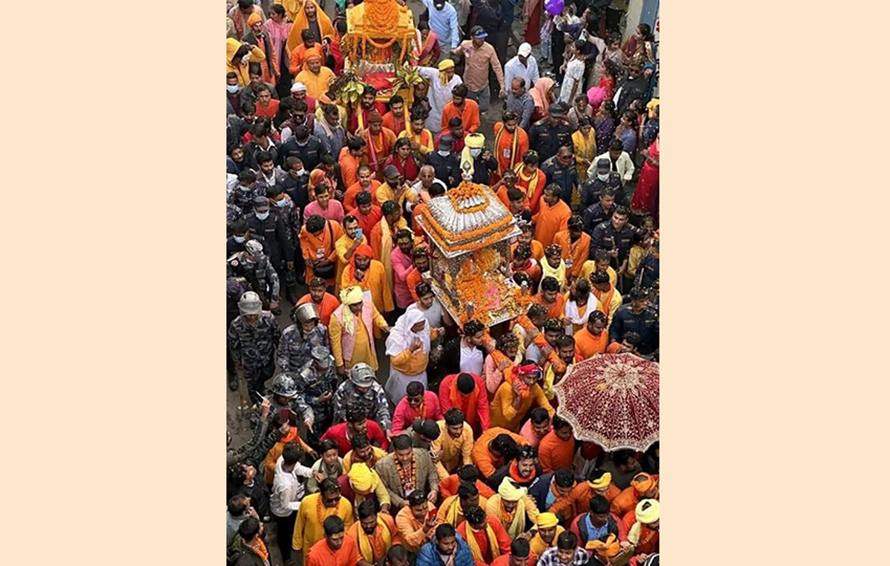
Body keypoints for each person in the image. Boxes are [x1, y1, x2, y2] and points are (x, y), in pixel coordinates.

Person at [228, 291, 281, 403]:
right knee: (252, 384)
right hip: (249, 363)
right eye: (249, 315)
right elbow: (233, 346)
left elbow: (277, 337)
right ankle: (255, 400)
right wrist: (238, 363)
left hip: (266, 359)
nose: (252, 317)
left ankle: (261, 387)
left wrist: (280, 354)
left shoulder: (269, 319)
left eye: (254, 314)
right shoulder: (236, 325)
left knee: (267, 374)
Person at [385, 309, 444, 403]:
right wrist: (410, 351)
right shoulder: (397, 338)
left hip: (420, 372)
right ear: (410, 325)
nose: (423, 327)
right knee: (404, 399)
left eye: (423, 324)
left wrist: (437, 332)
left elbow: (428, 334)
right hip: (404, 376)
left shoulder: (424, 326)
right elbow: (395, 361)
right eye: (419, 326)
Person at [270, 442, 315, 563]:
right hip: (283, 512)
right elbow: (286, 505)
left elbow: (298, 468)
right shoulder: (285, 485)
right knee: (284, 534)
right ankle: (286, 557)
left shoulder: (282, 460)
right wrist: (304, 504)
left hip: (291, 503)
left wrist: (312, 473)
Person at [330, 287, 391, 374]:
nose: (359, 307)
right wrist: (339, 364)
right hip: (351, 356)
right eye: (355, 305)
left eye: (360, 303)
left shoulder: (367, 304)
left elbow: (376, 316)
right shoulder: (337, 317)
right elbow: (335, 343)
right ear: (348, 305)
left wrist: (384, 326)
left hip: (368, 352)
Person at [449, 26, 505, 113]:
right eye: (479, 38)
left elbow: (497, 67)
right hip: (469, 85)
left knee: (484, 106)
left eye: (483, 37)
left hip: (483, 85)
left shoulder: (489, 49)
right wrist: (451, 50)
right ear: (472, 38)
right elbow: (458, 51)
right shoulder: (465, 45)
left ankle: (475, 112)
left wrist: (502, 85)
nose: (482, 40)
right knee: (468, 107)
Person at [375, 434, 440, 509]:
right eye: (401, 455)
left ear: (412, 448)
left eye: (408, 453)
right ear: (395, 451)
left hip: (422, 503)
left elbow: (432, 473)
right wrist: (399, 502)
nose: (405, 458)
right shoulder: (382, 465)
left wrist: (434, 489)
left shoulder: (423, 454)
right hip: (399, 508)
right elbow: (384, 489)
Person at [293, 478, 356, 556]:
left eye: (337, 499)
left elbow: (348, 529)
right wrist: (297, 544)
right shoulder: (307, 502)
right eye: (330, 500)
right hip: (311, 547)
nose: (334, 502)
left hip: (334, 551)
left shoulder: (346, 505)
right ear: (321, 495)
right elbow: (299, 524)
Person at [490, 362, 555, 432]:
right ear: (520, 375)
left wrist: (557, 420)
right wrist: (518, 398)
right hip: (495, 427)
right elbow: (508, 416)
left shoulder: (535, 387)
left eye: (534, 378)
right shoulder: (507, 388)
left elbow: (546, 406)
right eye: (528, 378)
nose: (531, 382)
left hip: (514, 428)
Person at [340, 244, 394, 317]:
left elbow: (385, 288)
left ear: (370, 258)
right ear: (354, 259)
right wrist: (356, 280)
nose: (362, 263)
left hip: (377, 309)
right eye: (359, 260)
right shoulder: (348, 271)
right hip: (358, 313)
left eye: (365, 260)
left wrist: (388, 308)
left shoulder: (378, 266)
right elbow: (345, 293)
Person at [437, 371, 491, 438]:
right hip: (454, 424)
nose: (466, 396)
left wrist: (486, 433)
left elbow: (483, 408)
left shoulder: (479, 383)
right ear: (456, 386)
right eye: (463, 395)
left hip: (473, 420)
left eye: (469, 395)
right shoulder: (446, 385)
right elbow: (448, 412)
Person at [607, 287, 658, 357]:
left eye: (647, 300)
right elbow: (614, 330)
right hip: (625, 351)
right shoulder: (621, 312)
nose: (646, 303)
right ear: (633, 301)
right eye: (642, 301)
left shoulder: (652, 313)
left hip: (647, 352)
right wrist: (614, 346)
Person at [346, 501, 399, 565]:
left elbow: (395, 536)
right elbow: (356, 557)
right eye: (365, 523)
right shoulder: (352, 534)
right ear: (359, 519)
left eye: (371, 522)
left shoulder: (387, 520)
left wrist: (393, 555)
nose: (368, 526)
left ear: (376, 516)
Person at [322, 407, 389, 456]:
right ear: (350, 424)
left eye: (365, 421)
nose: (365, 425)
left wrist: (379, 454)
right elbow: (322, 443)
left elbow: (383, 441)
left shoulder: (372, 425)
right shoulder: (334, 432)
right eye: (360, 424)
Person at [300, 214, 345, 287]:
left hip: (330, 264)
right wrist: (307, 257)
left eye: (316, 234)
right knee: (313, 286)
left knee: (330, 286)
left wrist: (329, 260)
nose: (314, 235)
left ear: (323, 228)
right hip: (313, 264)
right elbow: (303, 242)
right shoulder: (304, 229)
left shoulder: (334, 226)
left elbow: (341, 245)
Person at [431, 409, 474, 477]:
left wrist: (468, 474)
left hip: (453, 464)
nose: (459, 431)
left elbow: (467, 456)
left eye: (461, 427)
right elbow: (435, 460)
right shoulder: (437, 429)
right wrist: (447, 478)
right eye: (455, 429)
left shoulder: (467, 429)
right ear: (447, 425)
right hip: (436, 467)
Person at [532, 185, 572, 249]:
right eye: (544, 193)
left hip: (549, 247)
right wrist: (531, 221)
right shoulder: (542, 200)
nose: (544, 196)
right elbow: (541, 214)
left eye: (547, 195)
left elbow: (562, 235)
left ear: (555, 198)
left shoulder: (565, 212)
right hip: (537, 242)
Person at [483, 333, 520, 400]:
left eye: (516, 352)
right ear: (503, 350)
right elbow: (491, 388)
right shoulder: (490, 359)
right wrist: (499, 370)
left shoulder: (517, 358)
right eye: (511, 352)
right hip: (492, 398)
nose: (514, 355)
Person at [630, 133, 659, 218]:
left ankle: (646, 213)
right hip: (646, 170)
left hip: (655, 173)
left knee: (649, 193)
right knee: (641, 189)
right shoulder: (657, 138)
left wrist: (649, 156)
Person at [364, 112, 399, 178]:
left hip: (387, 167)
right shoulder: (364, 136)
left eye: (379, 125)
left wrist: (387, 159)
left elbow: (396, 149)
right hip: (369, 170)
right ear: (369, 124)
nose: (378, 128)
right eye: (375, 125)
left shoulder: (389, 133)